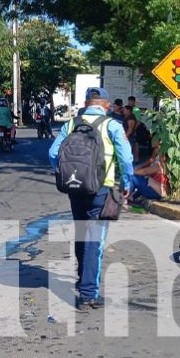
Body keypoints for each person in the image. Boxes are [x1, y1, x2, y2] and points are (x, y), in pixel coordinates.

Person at [49, 87, 133, 309]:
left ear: (86, 104)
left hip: (75, 188)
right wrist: (126, 183)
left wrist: (65, 176)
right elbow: (125, 158)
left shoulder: (70, 125)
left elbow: (52, 153)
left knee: (81, 232)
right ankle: (88, 294)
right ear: (105, 105)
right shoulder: (112, 125)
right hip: (101, 190)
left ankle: (81, 278)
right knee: (95, 240)